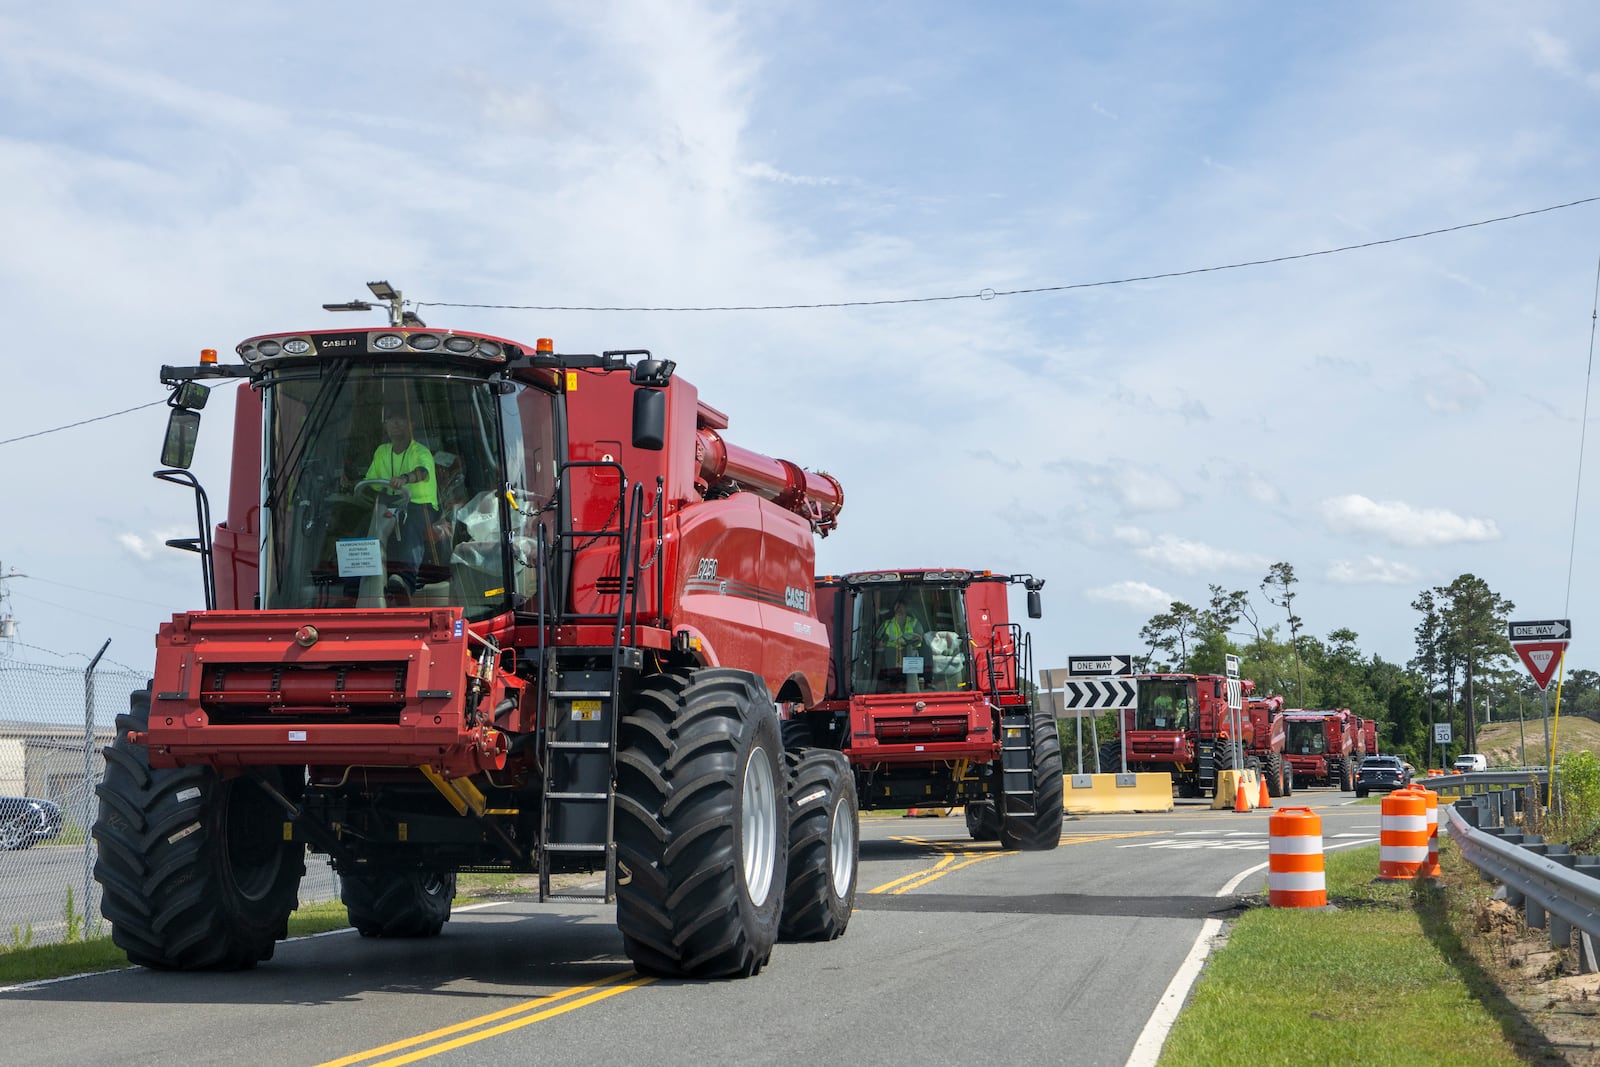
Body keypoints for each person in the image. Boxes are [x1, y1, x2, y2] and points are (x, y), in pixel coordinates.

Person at [361, 411, 437, 600]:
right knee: (362, 527)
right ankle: (357, 582)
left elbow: (423, 472)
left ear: (411, 425)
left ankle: (404, 581)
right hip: (392, 503)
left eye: (400, 419)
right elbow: (371, 481)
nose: (395, 424)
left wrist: (405, 479)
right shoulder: (381, 451)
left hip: (421, 506)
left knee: (410, 526)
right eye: (391, 420)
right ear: (385, 426)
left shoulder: (420, 451)